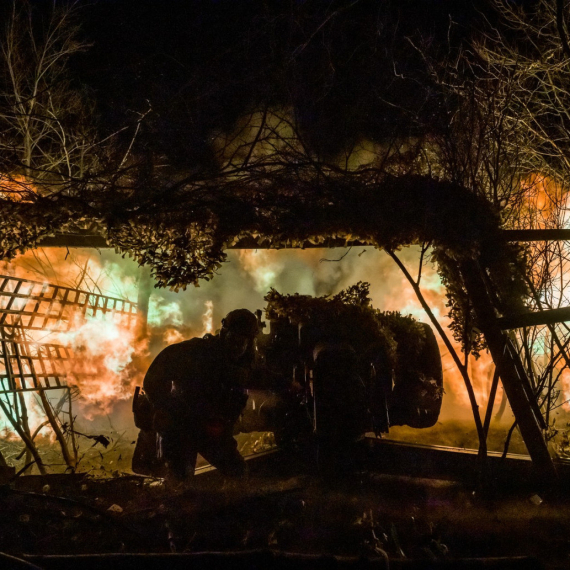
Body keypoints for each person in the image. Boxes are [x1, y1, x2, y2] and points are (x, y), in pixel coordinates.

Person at [142, 309, 259, 483]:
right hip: (182, 427)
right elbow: (154, 376)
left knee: (238, 473)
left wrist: (288, 384)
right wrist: (166, 408)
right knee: (180, 481)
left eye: (242, 342)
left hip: (211, 429)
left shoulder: (241, 364)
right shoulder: (194, 352)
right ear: (224, 333)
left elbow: (259, 376)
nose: (237, 346)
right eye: (234, 339)